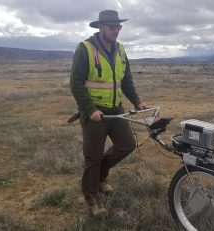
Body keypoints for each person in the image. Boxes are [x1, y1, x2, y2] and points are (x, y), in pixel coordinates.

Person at [70, 10, 146, 216]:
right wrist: (89, 109)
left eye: (119, 26)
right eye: (112, 26)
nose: (117, 30)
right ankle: (93, 199)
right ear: (101, 27)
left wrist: (137, 101)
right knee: (92, 157)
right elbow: (75, 83)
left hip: (115, 110)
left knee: (127, 144)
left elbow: (126, 80)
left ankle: (101, 176)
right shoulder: (85, 48)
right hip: (94, 113)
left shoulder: (120, 50)